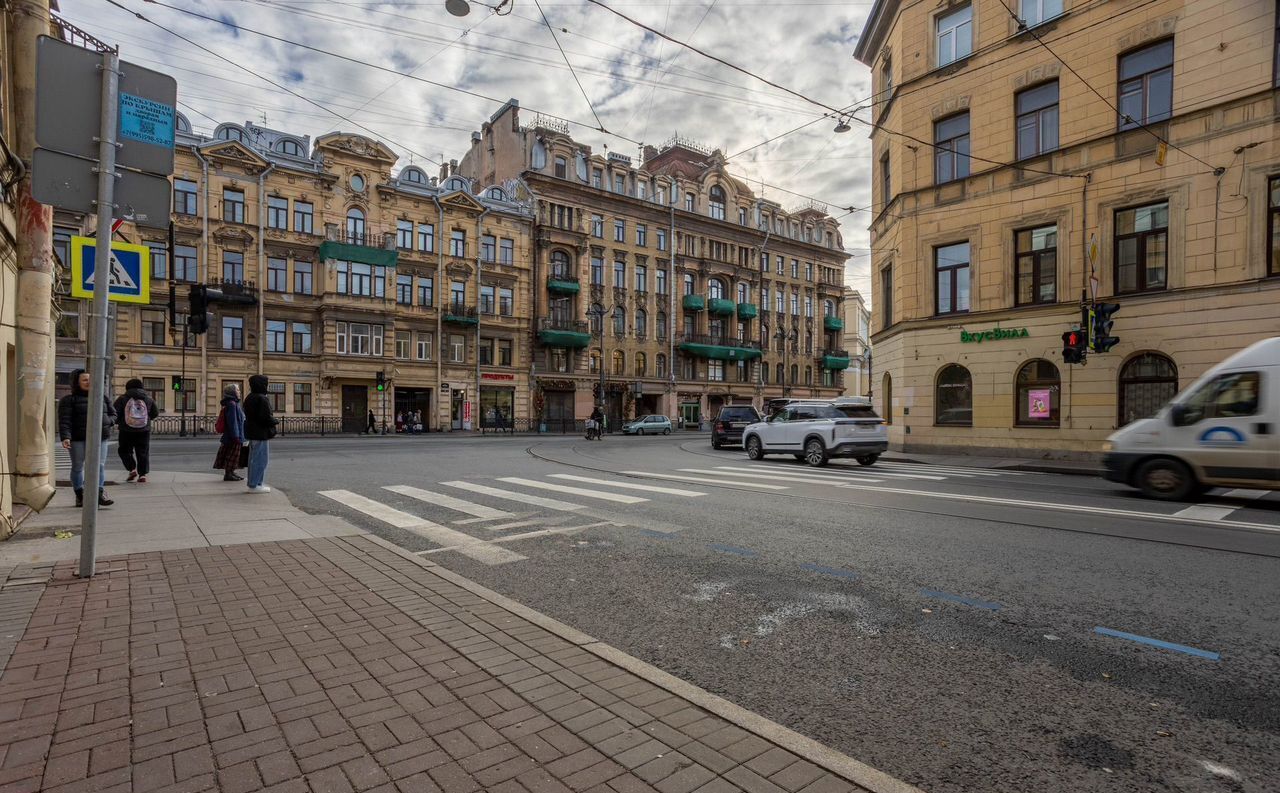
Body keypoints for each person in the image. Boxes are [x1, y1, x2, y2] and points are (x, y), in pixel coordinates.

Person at [58, 368, 115, 508]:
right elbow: (65, 420)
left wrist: (107, 421)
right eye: (84, 379)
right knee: (78, 467)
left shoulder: (102, 397)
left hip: (100, 437)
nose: (88, 382)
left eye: (90, 379)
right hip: (78, 438)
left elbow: (114, 414)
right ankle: (80, 495)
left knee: (100, 466)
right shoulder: (68, 400)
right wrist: (66, 437)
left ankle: (99, 493)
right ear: (76, 383)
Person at [113, 378, 158, 484]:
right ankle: (143, 475)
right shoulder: (148, 399)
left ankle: (132, 469)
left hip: (126, 430)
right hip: (144, 430)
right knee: (143, 452)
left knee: (124, 451)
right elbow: (155, 413)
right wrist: (146, 420)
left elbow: (115, 413)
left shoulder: (122, 398)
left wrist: (120, 422)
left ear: (127, 387)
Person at [242, 374, 278, 493]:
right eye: (265, 383)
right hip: (260, 433)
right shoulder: (262, 398)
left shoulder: (249, 397)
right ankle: (255, 485)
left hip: (252, 432)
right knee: (261, 460)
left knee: (253, 459)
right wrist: (275, 421)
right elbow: (265, 417)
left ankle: (253, 483)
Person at [214, 384, 246, 481]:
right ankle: (228, 474)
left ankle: (231, 472)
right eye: (237, 390)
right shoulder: (232, 404)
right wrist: (236, 436)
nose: (239, 392)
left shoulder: (233, 403)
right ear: (232, 392)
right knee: (231, 455)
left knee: (233, 455)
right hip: (233, 436)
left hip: (234, 435)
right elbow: (233, 422)